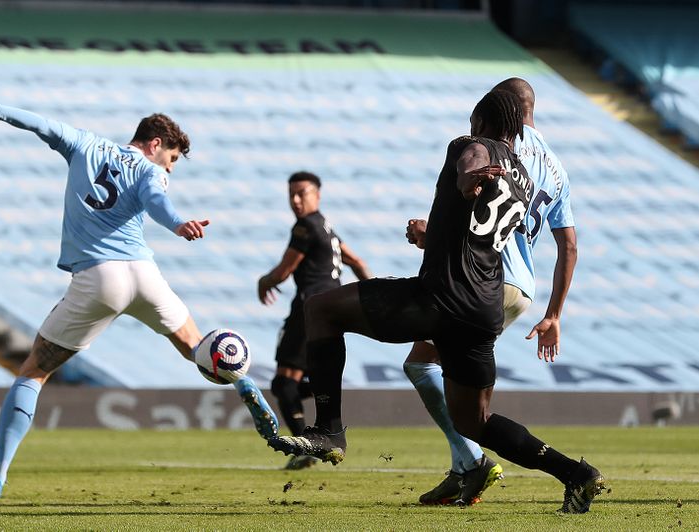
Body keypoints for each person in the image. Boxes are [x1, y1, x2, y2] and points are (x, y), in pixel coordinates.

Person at [268, 90, 606, 514]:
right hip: (482, 309)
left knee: (320, 309)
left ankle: (328, 430)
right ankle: (575, 474)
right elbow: (475, 236)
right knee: (475, 421)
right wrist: (435, 232)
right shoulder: (522, 177)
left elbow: (471, 165)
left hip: (440, 298)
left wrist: (468, 177)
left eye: (472, 121)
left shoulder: (471, 146)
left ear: (481, 121)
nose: (469, 128)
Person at [0, 84, 279, 499]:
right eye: (171, 160)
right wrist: (177, 223)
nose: (168, 170)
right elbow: (155, 200)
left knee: (34, 372)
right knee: (197, 348)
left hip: (99, 277)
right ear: (155, 144)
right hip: (144, 275)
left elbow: (43, 125)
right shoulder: (149, 171)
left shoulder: (84, 143)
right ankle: (243, 383)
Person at [403, 77, 578, 506]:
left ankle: (472, 461)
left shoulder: (499, 146)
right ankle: (463, 465)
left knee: (422, 366)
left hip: (483, 277)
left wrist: (433, 234)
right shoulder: (557, 168)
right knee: (456, 384)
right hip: (521, 289)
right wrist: (554, 314)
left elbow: (480, 212)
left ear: (503, 111)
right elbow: (569, 245)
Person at [258, 171, 371, 470]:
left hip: (310, 308)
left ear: (317, 195)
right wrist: (373, 295)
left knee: (284, 384)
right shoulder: (327, 228)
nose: (296, 201)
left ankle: (305, 447)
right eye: (291, 195)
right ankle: (324, 412)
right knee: (297, 383)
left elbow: (282, 272)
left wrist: (263, 282)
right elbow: (357, 261)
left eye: (302, 194)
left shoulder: (306, 226)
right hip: (334, 309)